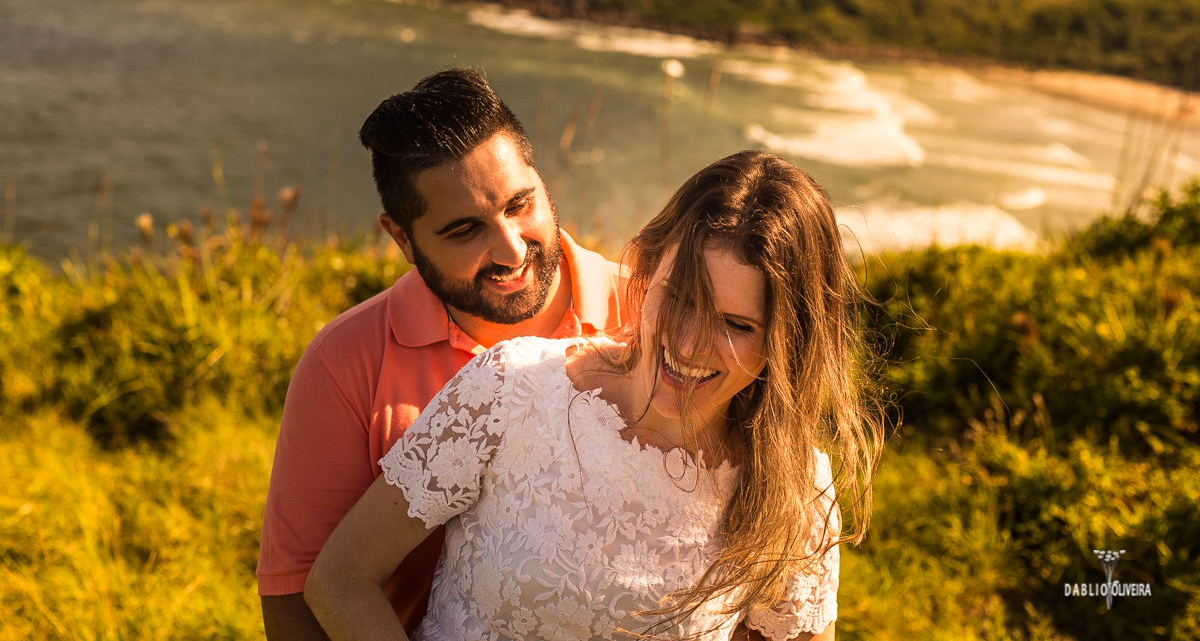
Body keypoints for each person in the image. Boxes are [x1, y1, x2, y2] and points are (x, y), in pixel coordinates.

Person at [305, 150, 885, 641]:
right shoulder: (509, 389)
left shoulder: (796, 490)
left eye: (736, 325)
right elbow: (338, 578)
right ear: (647, 270)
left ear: (786, 344)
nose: (688, 344)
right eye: (680, 298)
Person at [258, 69, 627, 641]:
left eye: (520, 204)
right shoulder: (344, 363)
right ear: (402, 239)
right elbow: (294, 603)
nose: (510, 248)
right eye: (464, 230)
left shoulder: (658, 314)